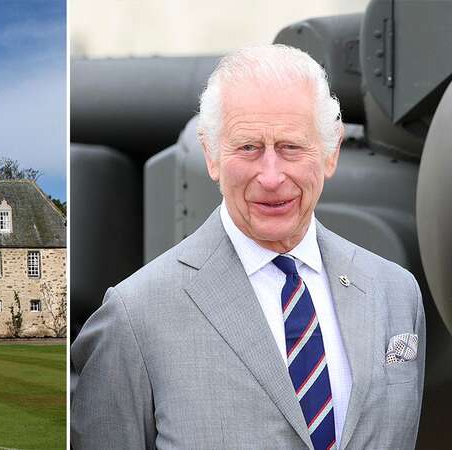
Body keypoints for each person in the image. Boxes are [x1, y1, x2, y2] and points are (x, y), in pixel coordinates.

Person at [71, 45, 425, 450]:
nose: (271, 176)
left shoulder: (395, 294)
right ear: (211, 154)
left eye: (291, 146)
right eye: (248, 148)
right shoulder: (134, 317)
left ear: (331, 153)